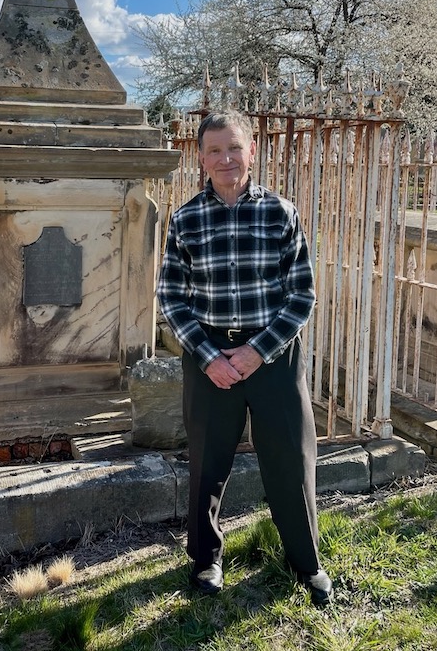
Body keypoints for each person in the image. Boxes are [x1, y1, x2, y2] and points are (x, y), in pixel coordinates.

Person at [156, 111, 332, 606]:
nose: (225, 159)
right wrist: (211, 356)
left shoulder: (280, 212)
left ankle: (306, 562)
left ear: (252, 151)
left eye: (234, 148)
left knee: (291, 460)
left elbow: (302, 295)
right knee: (207, 463)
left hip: (272, 353)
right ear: (201, 157)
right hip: (209, 355)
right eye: (214, 150)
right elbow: (171, 297)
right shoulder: (186, 219)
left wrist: (257, 352)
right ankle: (206, 558)